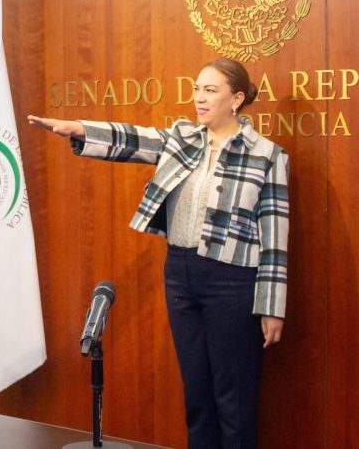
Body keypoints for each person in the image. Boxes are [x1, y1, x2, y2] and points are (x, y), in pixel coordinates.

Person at [28, 58, 289, 449]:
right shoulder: (183, 138)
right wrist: (79, 129)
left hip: (233, 283)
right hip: (181, 274)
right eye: (197, 88)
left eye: (210, 91)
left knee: (233, 402)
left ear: (236, 99)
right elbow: (134, 139)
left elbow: (275, 236)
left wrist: (272, 305)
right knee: (197, 397)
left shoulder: (267, 155)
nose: (198, 98)